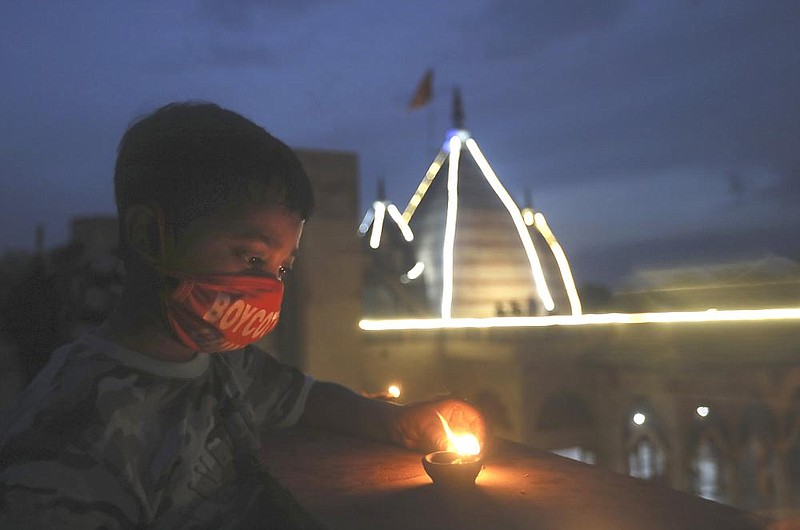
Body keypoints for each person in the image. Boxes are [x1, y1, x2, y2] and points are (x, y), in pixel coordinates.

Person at [0, 103, 486, 529]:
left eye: (283, 267)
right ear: (151, 236)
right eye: (252, 259)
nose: (270, 287)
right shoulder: (67, 436)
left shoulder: (224, 366)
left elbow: (303, 398)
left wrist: (400, 424)